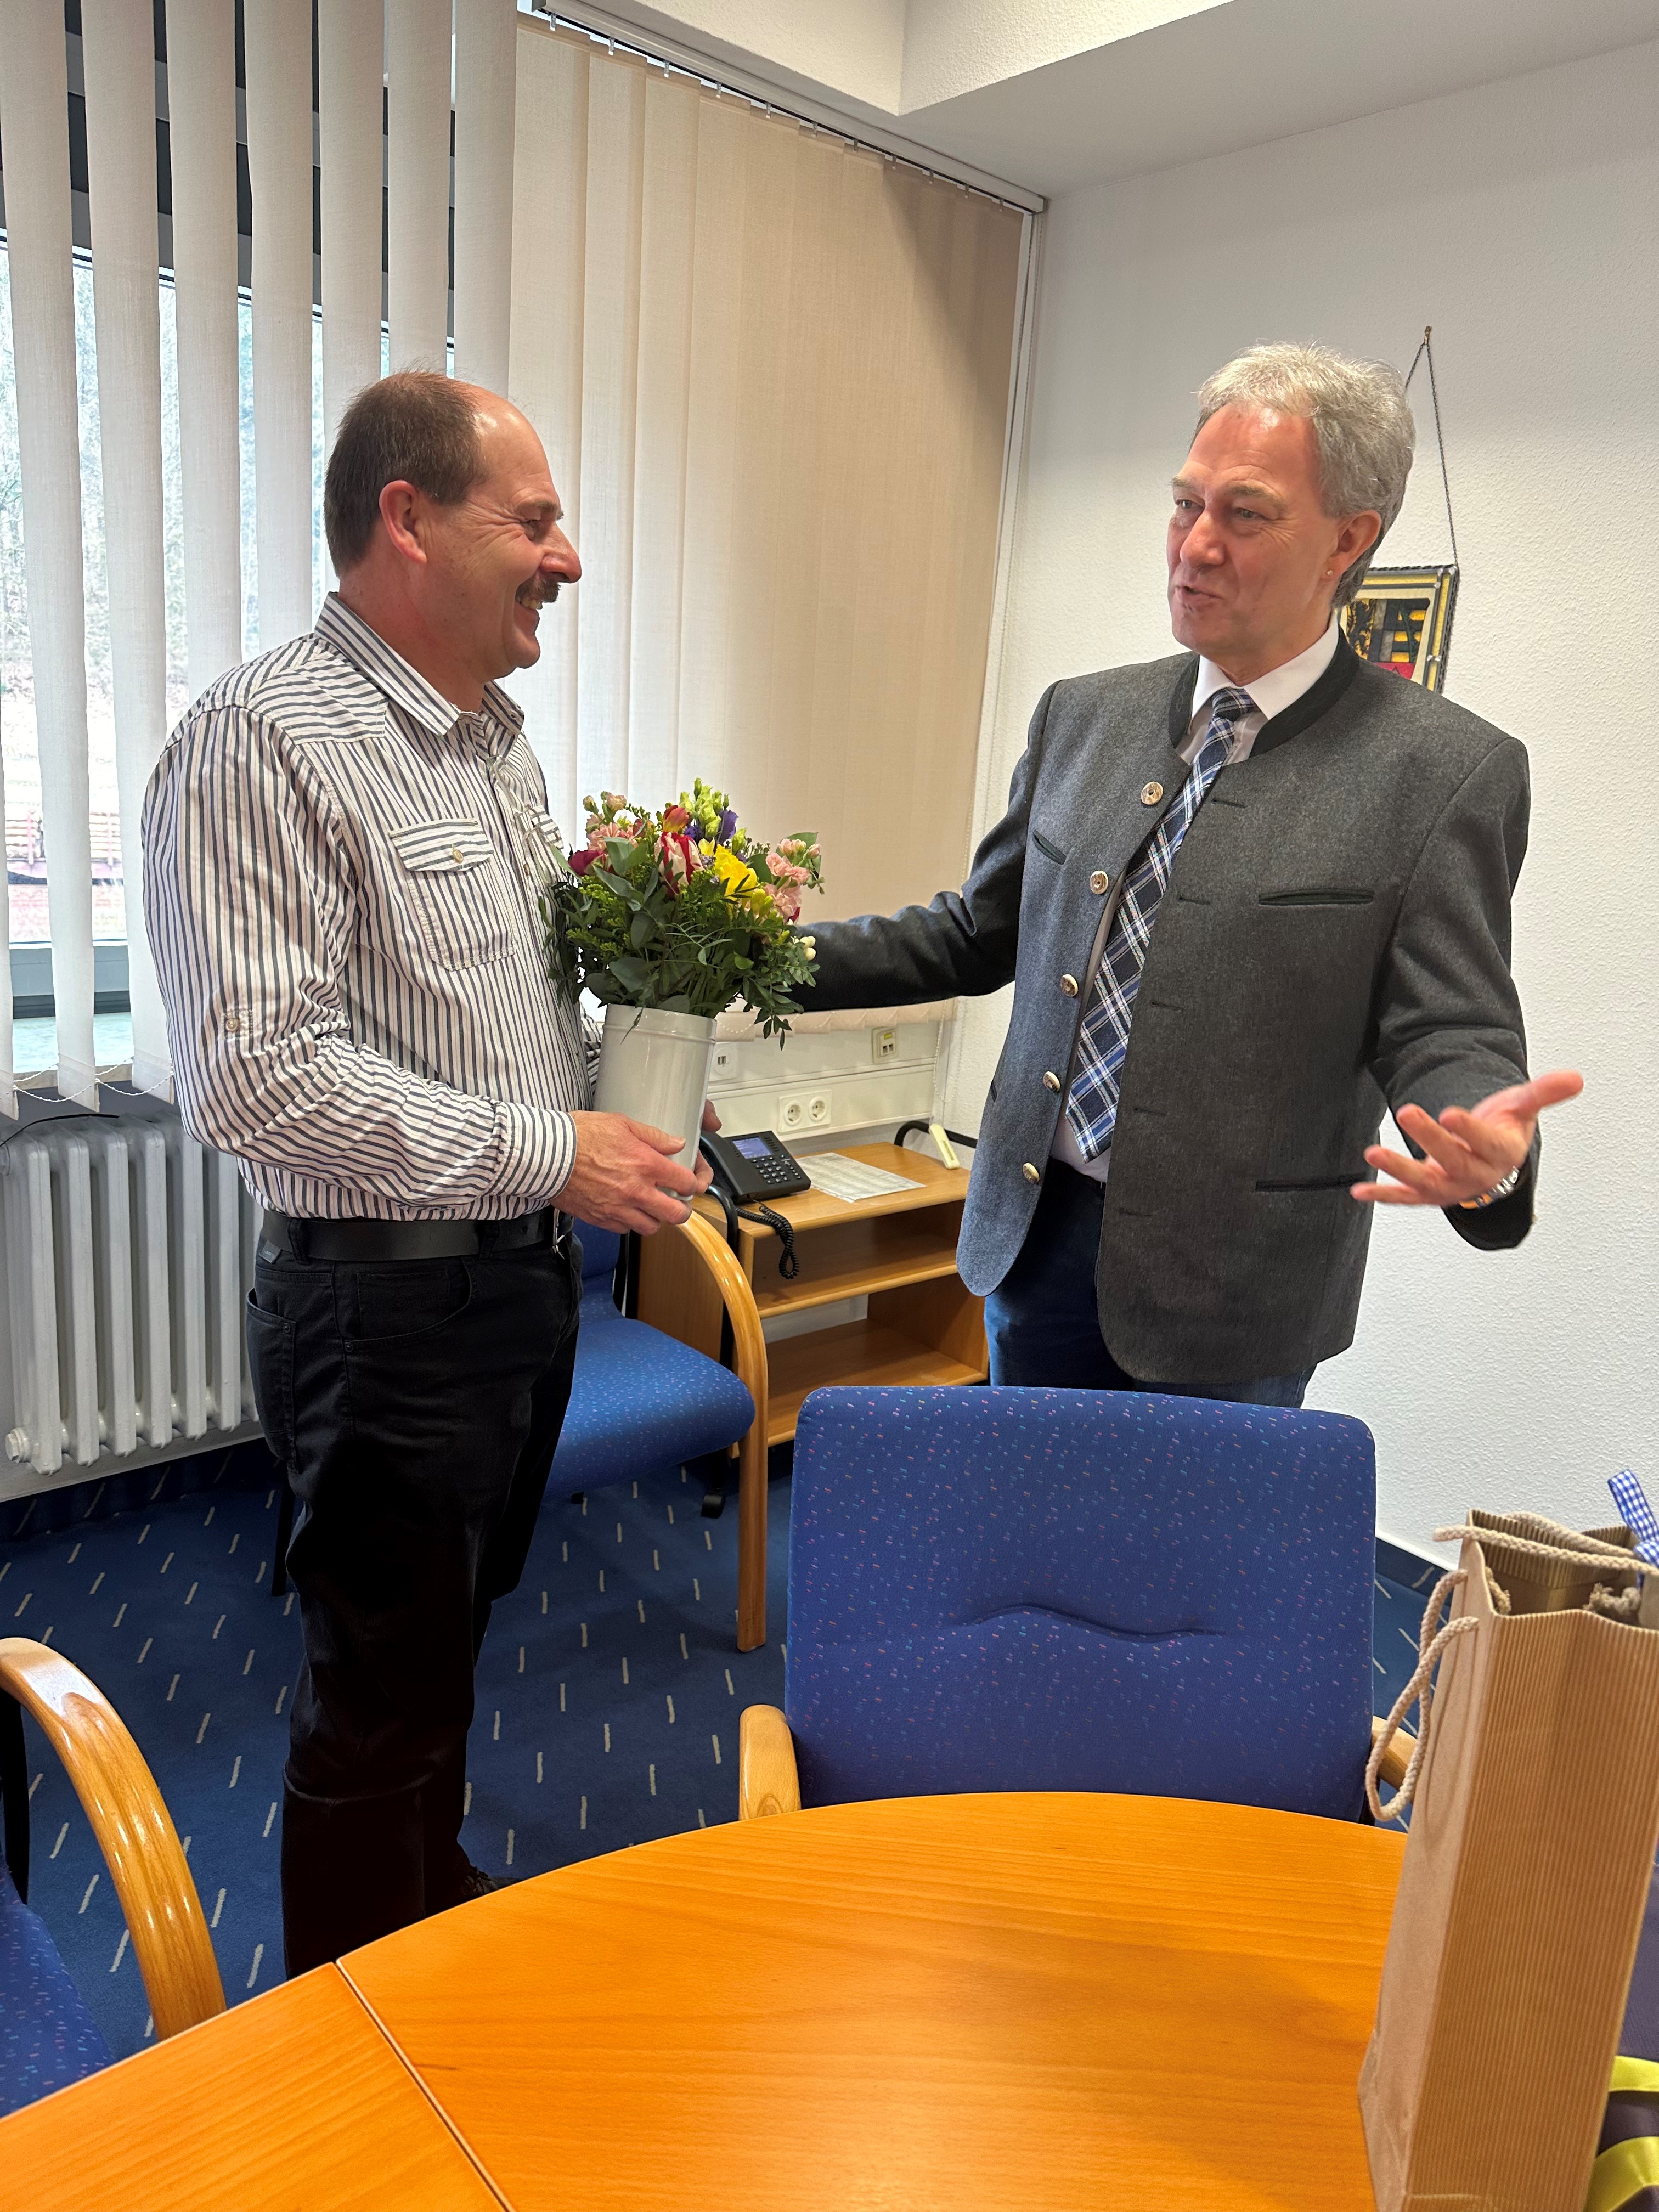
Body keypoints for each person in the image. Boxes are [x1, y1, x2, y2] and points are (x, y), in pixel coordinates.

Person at [142, 372, 714, 1976]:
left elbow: (498, 1022)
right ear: (407, 520)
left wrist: (632, 1082)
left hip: (515, 1292)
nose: (569, 557)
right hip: (381, 1314)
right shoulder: (262, 742)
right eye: (532, 520)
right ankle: (348, 2024)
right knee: (374, 1692)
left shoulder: (496, 752)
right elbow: (258, 1081)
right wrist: (556, 1151)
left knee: (446, 1659)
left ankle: (425, 1911)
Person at [803, 342, 1582, 1402]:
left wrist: (1482, 1140)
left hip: (1237, 1299)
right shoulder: (1085, 715)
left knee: (1182, 1569)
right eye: (1184, 505)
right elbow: (976, 933)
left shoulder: (1444, 772)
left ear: (1349, 541)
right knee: (1029, 1546)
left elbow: (1448, 1027)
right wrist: (756, 962)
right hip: (1035, 1244)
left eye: (1245, 514)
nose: (1195, 546)